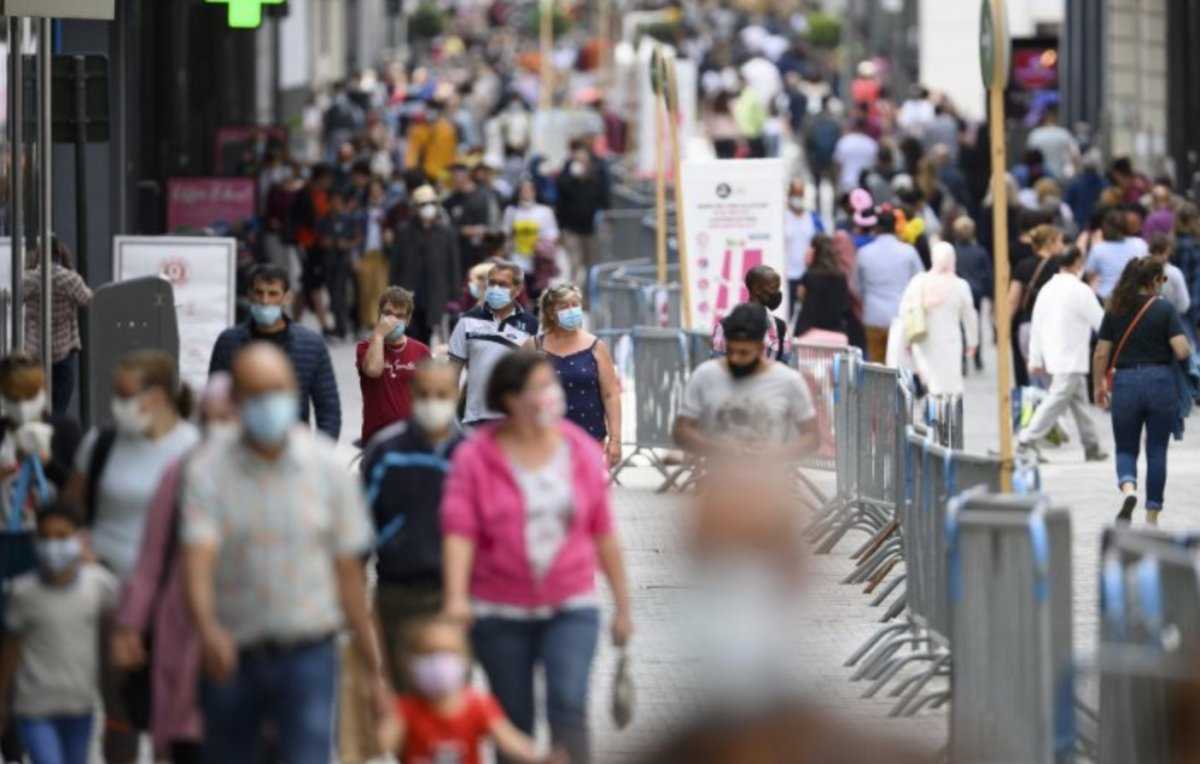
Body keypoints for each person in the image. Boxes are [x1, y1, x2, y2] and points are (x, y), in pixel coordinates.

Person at [182, 343, 389, 762]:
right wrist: (206, 630)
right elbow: (197, 561)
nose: (267, 404)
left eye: (275, 389)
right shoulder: (207, 471)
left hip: (307, 653)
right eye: (254, 393)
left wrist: (373, 667)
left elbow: (350, 574)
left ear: (293, 391)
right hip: (232, 652)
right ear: (236, 400)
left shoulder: (327, 470)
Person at [440, 350, 633, 764]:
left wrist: (623, 606)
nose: (551, 395)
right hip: (499, 609)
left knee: (567, 705)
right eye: (539, 387)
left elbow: (604, 532)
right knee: (513, 720)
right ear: (510, 399)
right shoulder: (477, 457)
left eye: (552, 385)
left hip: (571, 604)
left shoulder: (579, 450)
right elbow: (460, 532)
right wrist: (456, 598)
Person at [109, 374, 237, 764]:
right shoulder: (181, 474)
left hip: (250, 635)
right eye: (209, 420)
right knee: (189, 737)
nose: (218, 430)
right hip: (183, 632)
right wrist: (131, 625)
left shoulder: (281, 477)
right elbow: (151, 560)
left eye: (227, 418)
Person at [362, 361, 466, 692]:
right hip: (398, 592)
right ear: (410, 394)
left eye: (441, 394)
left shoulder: (471, 455)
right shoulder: (385, 451)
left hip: (457, 595)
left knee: (452, 700)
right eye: (423, 394)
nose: (432, 402)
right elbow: (360, 526)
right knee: (402, 696)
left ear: (456, 396)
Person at [0, 502, 118, 764]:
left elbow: (116, 634)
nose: (54, 545)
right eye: (46, 537)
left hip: (80, 707)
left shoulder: (98, 585)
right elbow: (11, 650)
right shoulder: (23, 592)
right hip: (34, 707)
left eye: (62, 536)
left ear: (80, 539)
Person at [1093, 259, 1192, 525]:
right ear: (1154, 281)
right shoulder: (1164, 309)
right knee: (1157, 450)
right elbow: (1181, 349)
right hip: (1161, 383)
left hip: (1125, 382)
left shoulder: (1115, 309)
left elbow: (1102, 351)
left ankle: (1129, 489)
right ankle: (1152, 516)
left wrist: (1097, 386)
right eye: (1163, 280)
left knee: (1125, 448)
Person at [378, 617, 557, 764]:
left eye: (447, 652)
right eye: (428, 652)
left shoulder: (478, 704)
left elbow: (509, 740)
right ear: (411, 662)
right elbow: (383, 745)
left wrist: (541, 757)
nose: (438, 662)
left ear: (464, 659)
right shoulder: (404, 709)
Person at [209, 264, 342, 440]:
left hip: (294, 449)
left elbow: (328, 407)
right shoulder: (229, 342)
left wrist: (320, 455)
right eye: (259, 292)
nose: (265, 301)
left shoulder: (311, 344)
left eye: (272, 294)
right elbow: (215, 401)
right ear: (249, 295)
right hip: (241, 449)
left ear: (286, 298)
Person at [674, 304, 818, 458]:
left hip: (770, 478)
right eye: (730, 351)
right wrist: (717, 449)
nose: (735, 358)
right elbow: (682, 430)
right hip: (717, 477)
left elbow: (812, 437)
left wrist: (777, 454)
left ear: (761, 348)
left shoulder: (789, 380)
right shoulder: (705, 375)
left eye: (744, 353)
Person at [1021, 246, 1107, 462]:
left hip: (1054, 354)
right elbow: (1101, 323)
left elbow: (1036, 325)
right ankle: (1026, 440)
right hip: (1072, 355)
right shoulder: (1081, 290)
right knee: (1057, 399)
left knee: (1078, 401)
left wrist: (1035, 357)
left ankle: (1092, 445)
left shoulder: (1047, 289)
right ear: (1078, 263)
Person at [525, 285, 622, 465]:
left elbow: (611, 394)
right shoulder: (534, 346)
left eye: (575, 305)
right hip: (544, 439)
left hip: (590, 438)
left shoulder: (596, 346)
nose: (571, 310)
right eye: (564, 306)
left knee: (588, 491)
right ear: (550, 312)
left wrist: (615, 440)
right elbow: (520, 392)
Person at [448, 262, 539, 429]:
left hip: (514, 419)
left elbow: (534, 377)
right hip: (475, 418)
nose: (496, 288)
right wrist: (449, 414)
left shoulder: (532, 325)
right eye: (492, 283)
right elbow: (452, 372)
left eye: (503, 284)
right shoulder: (467, 320)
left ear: (517, 290)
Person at [0, 353, 82, 513]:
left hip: (50, 532)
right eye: (14, 398)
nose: (22, 406)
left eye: (29, 395)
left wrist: (49, 464)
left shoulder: (64, 430)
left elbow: (79, 493)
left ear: (42, 391)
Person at [22, 239, 93, 414]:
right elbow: (88, 300)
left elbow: (13, 299)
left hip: (34, 351)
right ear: (60, 254)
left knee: (35, 408)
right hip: (63, 353)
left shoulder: (28, 278)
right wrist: (72, 269)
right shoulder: (70, 278)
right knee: (59, 410)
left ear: (39, 254)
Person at [898, 242, 979, 396]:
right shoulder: (960, 285)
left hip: (922, 338)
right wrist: (972, 342)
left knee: (928, 380)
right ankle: (947, 415)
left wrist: (906, 340)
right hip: (950, 341)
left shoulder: (918, 281)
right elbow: (970, 315)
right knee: (950, 383)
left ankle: (931, 413)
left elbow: (904, 310)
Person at [357, 287, 432, 444]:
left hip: (411, 437)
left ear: (408, 320)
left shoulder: (421, 351)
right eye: (387, 314)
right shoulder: (366, 346)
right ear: (379, 315)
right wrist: (378, 335)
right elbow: (373, 370)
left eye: (399, 316)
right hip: (375, 437)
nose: (392, 320)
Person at [390, 185, 462, 346]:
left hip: (436, 293)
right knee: (411, 335)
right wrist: (393, 293)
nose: (427, 208)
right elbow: (395, 265)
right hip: (410, 291)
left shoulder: (446, 232)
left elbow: (453, 266)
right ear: (415, 207)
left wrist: (455, 296)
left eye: (430, 203)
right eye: (422, 204)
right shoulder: (404, 231)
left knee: (433, 334)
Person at [856, 210, 925, 362]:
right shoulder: (908, 252)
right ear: (895, 227)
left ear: (876, 228)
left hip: (873, 316)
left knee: (876, 366)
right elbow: (920, 282)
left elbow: (857, 287)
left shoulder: (863, 253)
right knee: (900, 366)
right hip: (901, 317)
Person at [1010, 224, 1065, 375]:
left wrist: (1004, 326)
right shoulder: (1061, 266)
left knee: (1033, 378)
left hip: (1027, 324)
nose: (1062, 246)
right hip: (1054, 326)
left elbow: (1013, 300)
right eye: (1060, 241)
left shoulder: (1023, 265)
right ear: (1050, 243)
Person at [554, 141, 610, 288]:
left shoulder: (597, 172)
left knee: (590, 264)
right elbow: (560, 197)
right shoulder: (567, 174)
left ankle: (588, 297)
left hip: (591, 228)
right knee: (575, 263)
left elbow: (604, 196)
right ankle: (573, 295)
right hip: (571, 228)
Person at [712, 266, 791, 363]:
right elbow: (719, 366)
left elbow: (784, 367)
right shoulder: (725, 326)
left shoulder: (780, 327)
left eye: (778, 288)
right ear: (756, 289)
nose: (777, 293)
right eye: (773, 287)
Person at [290, 163, 335, 330]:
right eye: (327, 178)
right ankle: (324, 325)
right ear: (320, 178)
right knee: (313, 284)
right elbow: (298, 220)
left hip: (319, 245)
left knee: (307, 285)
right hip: (306, 244)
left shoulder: (325, 195)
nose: (330, 182)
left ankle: (294, 323)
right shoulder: (304, 194)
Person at [502, 179, 560, 295]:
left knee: (538, 293)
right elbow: (505, 232)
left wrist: (542, 244)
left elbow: (553, 233)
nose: (526, 193)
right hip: (517, 257)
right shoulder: (511, 212)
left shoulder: (545, 211)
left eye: (529, 190)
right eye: (523, 190)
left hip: (539, 261)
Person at [319, 190, 362, 340]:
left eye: (339, 202)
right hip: (329, 262)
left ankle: (346, 327)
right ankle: (340, 326)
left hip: (345, 262)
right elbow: (320, 240)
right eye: (333, 202)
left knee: (343, 295)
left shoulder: (349, 219)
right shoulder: (324, 220)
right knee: (333, 295)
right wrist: (327, 243)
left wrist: (347, 244)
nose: (336, 205)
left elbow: (357, 238)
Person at [794, 235, 855, 341]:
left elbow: (800, 297)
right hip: (835, 332)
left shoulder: (809, 276)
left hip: (808, 332)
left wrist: (808, 264)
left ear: (814, 252)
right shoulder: (841, 277)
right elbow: (845, 304)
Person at [444, 163, 501, 274]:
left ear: (466, 176)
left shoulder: (485, 197)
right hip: (457, 255)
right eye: (452, 176)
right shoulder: (450, 201)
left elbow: (495, 226)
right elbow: (445, 227)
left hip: (481, 254)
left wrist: (484, 230)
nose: (453, 180)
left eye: (456, 176)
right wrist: (463, 231)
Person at [952, 217, 992, 371]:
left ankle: (962, 359)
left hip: (957, 293)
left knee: (959, 325)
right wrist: (989, 293)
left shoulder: (953, 252)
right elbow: (987, 274)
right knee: (975, 323)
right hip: (976, 292)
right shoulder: (980, 252)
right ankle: (977, 357)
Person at [1086, 208, 1148, 301]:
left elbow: (1089, 275)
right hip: (1133, 298)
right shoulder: (1140, 244)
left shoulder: (1098, 249)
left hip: (1106, 298)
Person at [357, 178, 394, 330]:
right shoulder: (362, 211)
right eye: (372, 189)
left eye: (378, 189)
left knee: (381, 289)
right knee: (365, 290)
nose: (375, 192)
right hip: (365, 253)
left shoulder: (388, 210)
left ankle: (378, 322)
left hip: (382, 253)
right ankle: (365, 322)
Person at [784, 178, 824, 302]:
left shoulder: (813, 218)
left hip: (809, 275)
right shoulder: (782, 218)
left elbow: (822, 243)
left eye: (800, 194)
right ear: (789, 195)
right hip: (787, 275)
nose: (798, 198)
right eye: (795, 194)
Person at [1025, 106, 1079, 180]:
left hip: (1040, 177)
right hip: (1061, 176)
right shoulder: (1064, 133)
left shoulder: (1035, 134)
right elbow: (1075, 155)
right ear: (1055, 118)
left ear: (1043, 118)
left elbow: (1029, 157)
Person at [1147, 235, 1192, 318]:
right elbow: (1184, 305)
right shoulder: (1174, 273)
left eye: (1160, 252)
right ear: (1168, 252)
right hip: (1169, 319)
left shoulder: (1141, 270)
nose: (1158, 257)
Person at [833, 119, 879, 193]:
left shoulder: (844, 141)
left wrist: (837, 183)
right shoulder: (871, 144)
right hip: (865, 185)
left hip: (847, 183)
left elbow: (838, 164)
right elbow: (875, 164)